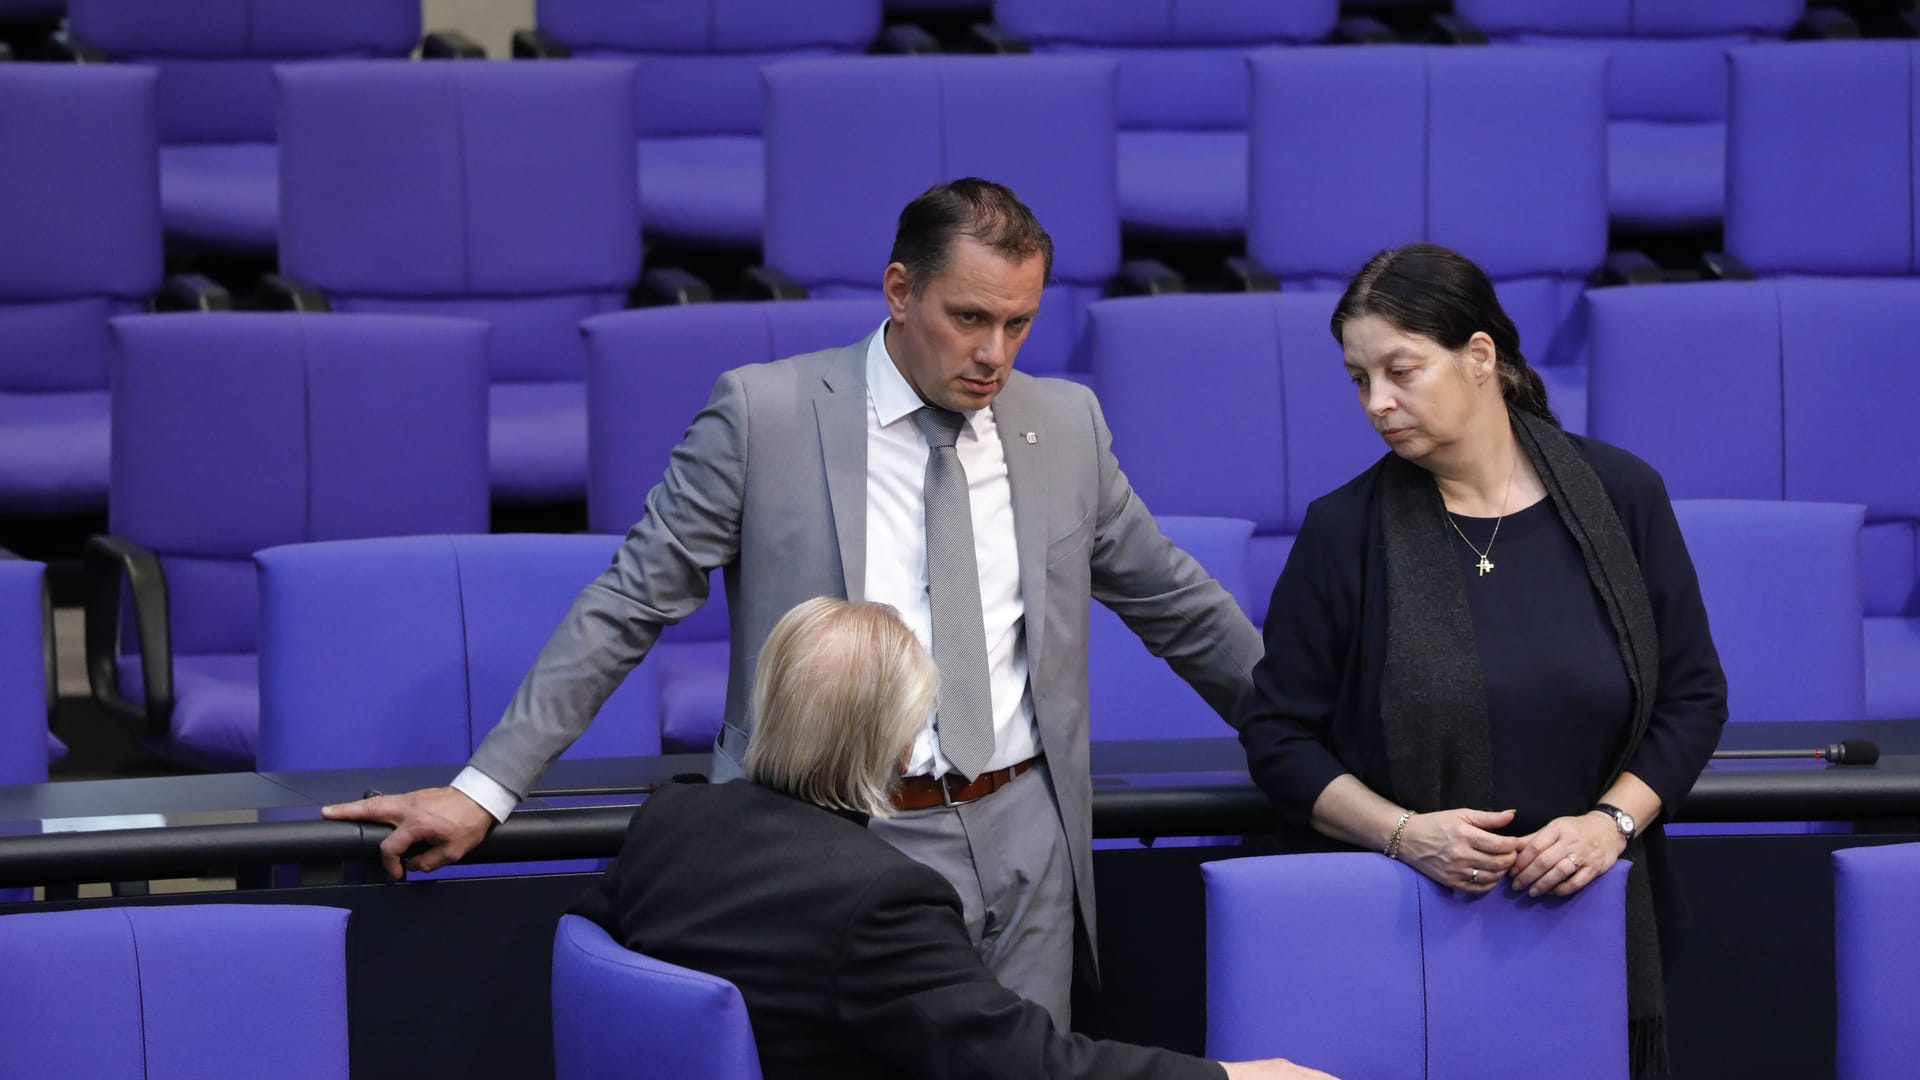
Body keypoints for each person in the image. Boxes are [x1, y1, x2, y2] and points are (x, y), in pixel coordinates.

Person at [324, 178, 1264, 1028]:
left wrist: (1326, 753)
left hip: (1025, 836)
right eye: (969, 317)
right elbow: (627, 605)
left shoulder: (1063, 423)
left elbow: (1175, 602)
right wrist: (485, 790)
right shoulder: (762, 415)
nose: (994, 354)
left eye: (1018, 324)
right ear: (899, 292)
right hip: (832, 838)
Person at [1236, 243, 1726, 1076]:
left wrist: (1609, 827)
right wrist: (1403, 834)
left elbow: (1692, 696)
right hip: (1408, 934)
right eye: (1359, 380)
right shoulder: (1343, 533)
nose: (1377, 404)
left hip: (1597, 923)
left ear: (1480, 357)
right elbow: (1279, 740)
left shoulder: (1622, 495)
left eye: (1401, 371)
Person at [574, 597, 1332, 1080]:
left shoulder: (668, 821)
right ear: (900, 747)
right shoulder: (878, 899)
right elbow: (1035, 1068)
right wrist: (1236, 1079)